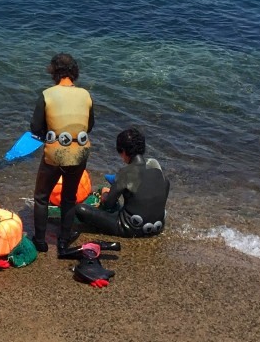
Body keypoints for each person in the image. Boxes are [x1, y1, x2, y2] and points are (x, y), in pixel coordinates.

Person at [30, 53, 95, 254]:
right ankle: (64, 241)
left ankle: (40, 242)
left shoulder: (47, 94)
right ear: (74, 72)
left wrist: (48, 134)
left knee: (42, 197)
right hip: (80, 152)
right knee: (69, 197)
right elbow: (90, 125)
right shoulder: (85, 94)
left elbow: (35, 127)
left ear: (53, 71)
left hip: (55, 154)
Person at [75, 127, 170, 237]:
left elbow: (108, 204)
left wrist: (105, 193)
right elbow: (165, 184)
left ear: (123, 151)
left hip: (131, 228)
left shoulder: (125, 173)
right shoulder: (157, 169)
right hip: (158, 226)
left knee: (80, 209)